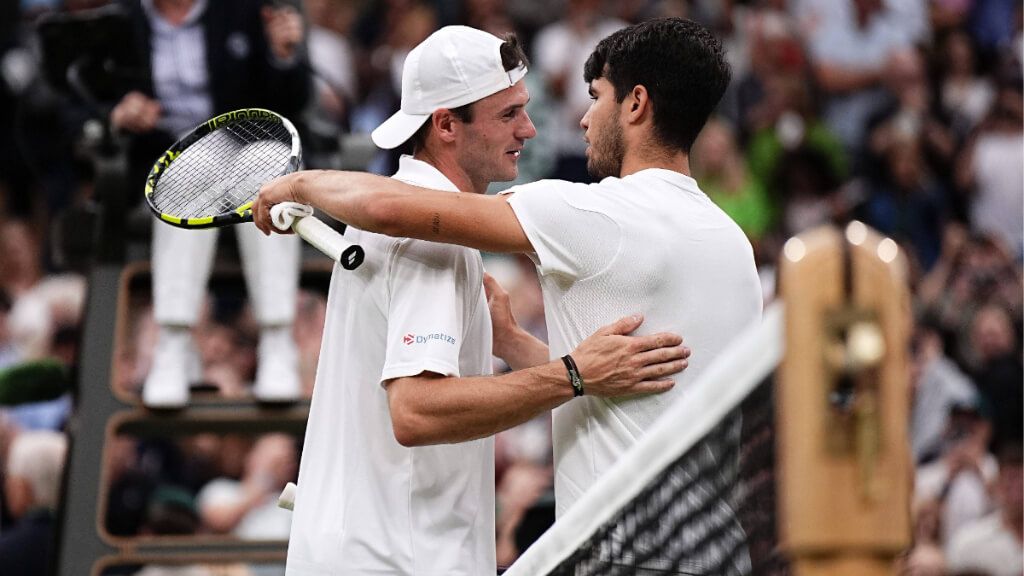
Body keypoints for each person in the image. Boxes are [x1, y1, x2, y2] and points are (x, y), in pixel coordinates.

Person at [255, 17, 762, 569]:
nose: (540, 129)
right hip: (717, 553)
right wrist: (530, 350)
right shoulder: (733, 245)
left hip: (623, 558)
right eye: (509, 114)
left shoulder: (589, 215)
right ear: (445, 124)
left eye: (596, 97)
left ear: (636, 104)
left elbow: (387, 207)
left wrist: (297, 182)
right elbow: (422, 410)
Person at [110, 0, 311, 407]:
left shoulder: (244, 10)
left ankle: (277, 341)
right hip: (166, 163)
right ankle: (173, 343)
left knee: (269, 170)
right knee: (188, 169)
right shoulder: (120, 20)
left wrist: (283, 57)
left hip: (249, 150)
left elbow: (290, 106)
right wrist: (118, 115)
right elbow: (78, 103)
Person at [0, 430, 68, 576]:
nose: (7, 487)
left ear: (24, 487)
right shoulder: (83, 543)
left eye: (12, 478)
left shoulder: (7, 551)